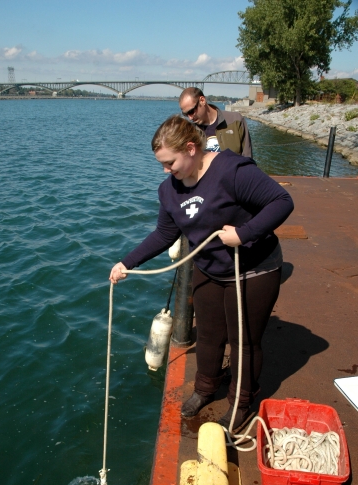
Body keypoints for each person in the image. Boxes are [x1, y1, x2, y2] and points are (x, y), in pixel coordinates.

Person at [110, 115, 293, 430]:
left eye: (170, 162)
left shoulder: (231, 171)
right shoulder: (169, 191)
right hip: (209, 268)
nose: (166, 171)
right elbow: (164, 235)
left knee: (244, 342)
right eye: (162, 165)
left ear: (191, 149)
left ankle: (242, 401)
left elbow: (281, 201)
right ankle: (205, 388)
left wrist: (245, 232)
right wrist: (127, 262)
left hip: (252, 269)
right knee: (208, 336)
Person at [179, 86, 253, 158]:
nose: (190, 117)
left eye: (191, 111)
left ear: (202, 101)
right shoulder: (189, 132)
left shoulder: (236, 120)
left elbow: (248, 158)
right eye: (185, 114)